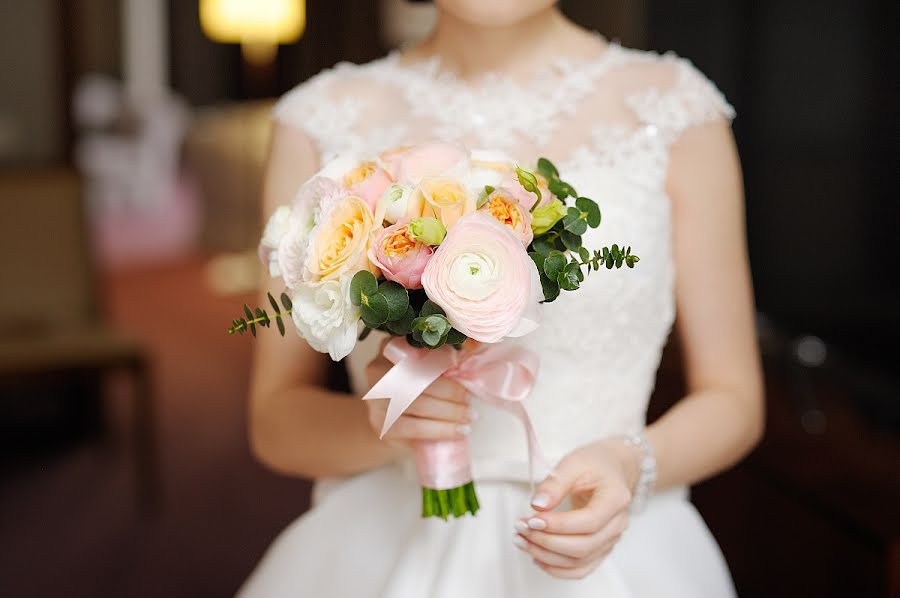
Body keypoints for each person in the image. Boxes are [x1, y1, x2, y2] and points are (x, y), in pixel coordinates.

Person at [240, 1, 763, 596]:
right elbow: (273, 420)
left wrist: (632, 462)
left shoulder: (677, 111)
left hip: (611, 549)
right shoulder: (318, 119)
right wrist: (378, 424)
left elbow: (734, 398)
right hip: (384, 538)